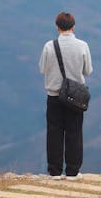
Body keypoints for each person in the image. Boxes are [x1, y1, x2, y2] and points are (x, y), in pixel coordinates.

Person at [39, 11, 93, 180]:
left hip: (54, 95)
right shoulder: (83, 45)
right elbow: (88, 70)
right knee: (74, 132)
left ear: (57, 27)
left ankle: (54, 171)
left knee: (54, 132)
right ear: (73, 26)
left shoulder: (49, 46)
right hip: (75, 97)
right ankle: (72, 171)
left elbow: (42, 69)